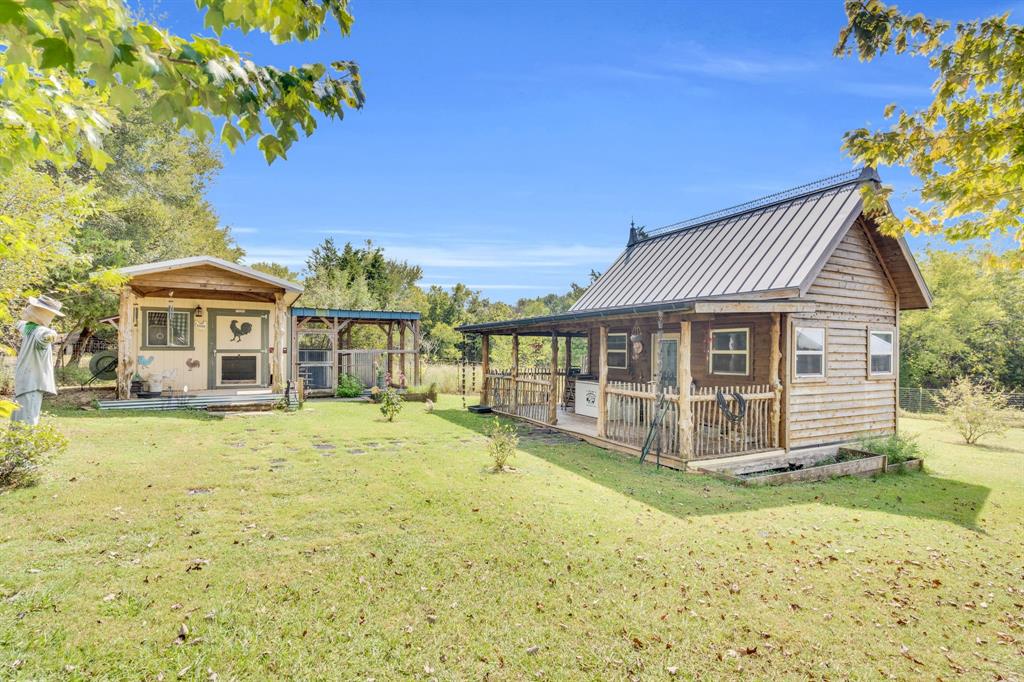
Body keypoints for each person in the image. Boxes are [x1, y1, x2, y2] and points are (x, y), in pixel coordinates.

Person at [12, 295, 62, 426]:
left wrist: (50, 336)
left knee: (26, 419)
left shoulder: (40, 330)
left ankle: (23, 446)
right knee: (20, 417)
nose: (28, 309)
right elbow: (20, 324)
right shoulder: (29, 328)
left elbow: (45, 337)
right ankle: (17, 445)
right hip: (27, 382)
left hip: (30, 383)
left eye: (32, 307)